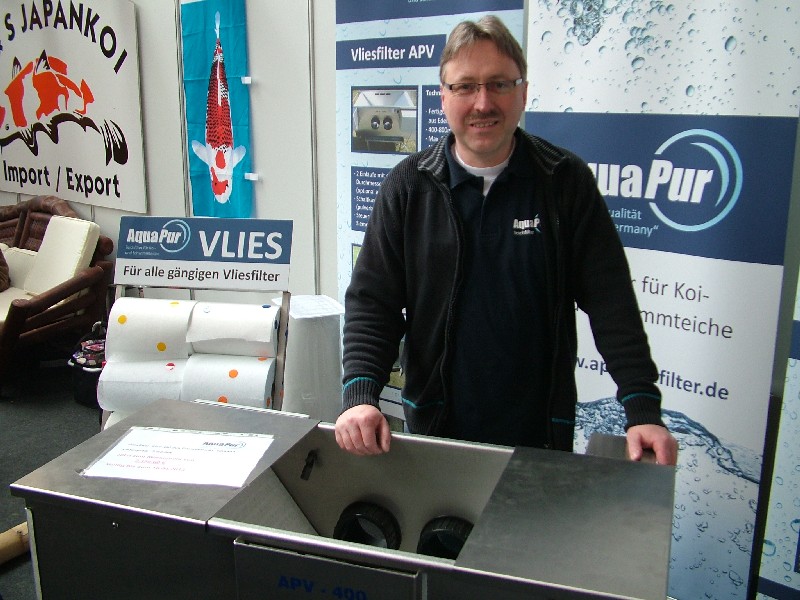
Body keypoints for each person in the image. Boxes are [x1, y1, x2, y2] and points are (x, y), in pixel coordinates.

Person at [335, 15, 678, 465]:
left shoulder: (564, 182)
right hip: (437, 431)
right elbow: (373, 301)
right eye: (465, 86)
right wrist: (361, 395)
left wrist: (642, 409)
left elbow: (611, 301)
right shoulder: (409, 186)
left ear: (523, 92)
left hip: (539, 438)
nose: (483, 103)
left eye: (499, 84)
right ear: (443, 96)